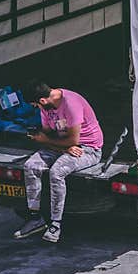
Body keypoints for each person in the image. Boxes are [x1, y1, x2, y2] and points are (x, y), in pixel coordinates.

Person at [13, 80, 104, 243]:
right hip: (62, 146)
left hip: (87, 148)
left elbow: (73, 140)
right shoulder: (46, 108)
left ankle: (56, 224)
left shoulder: (70, 103)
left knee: (57, 172)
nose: (38, 109)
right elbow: (48, 136)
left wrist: (50, 142)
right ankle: (35, 218)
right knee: (30, 166)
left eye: (36, 106)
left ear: (42, 101)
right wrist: (60, 148)